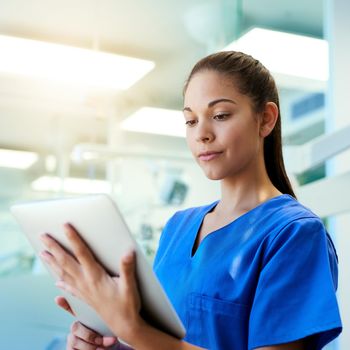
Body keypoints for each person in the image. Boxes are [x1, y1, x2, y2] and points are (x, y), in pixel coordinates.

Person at [40, 51, 342, 350]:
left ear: (266, 119)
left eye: (220, 115)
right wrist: (114, 346)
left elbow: (153, 340)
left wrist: (133, 329)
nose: (202, 134)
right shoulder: (178, 228)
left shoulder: (293, 234)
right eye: (190, 121)